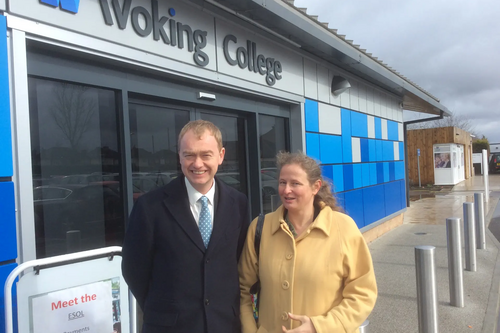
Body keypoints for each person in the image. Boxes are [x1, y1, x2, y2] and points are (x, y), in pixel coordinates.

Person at [122, 120, 250, 333]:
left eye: (206, 155)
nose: (197, 164)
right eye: (189, 154)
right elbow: (134, 269)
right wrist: (162, 311)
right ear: (179, 156)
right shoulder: (150, 207)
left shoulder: (239, 203)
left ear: (221, 155)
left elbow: (238, 260)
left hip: (225, 325)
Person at [239, 151, 377, 333]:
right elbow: (244, 292)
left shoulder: (343, 228)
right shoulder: (260, 228)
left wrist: (319, 326)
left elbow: (362, 294)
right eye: (282, 182)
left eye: (295, 183)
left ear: (315, 187)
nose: (286, 190)